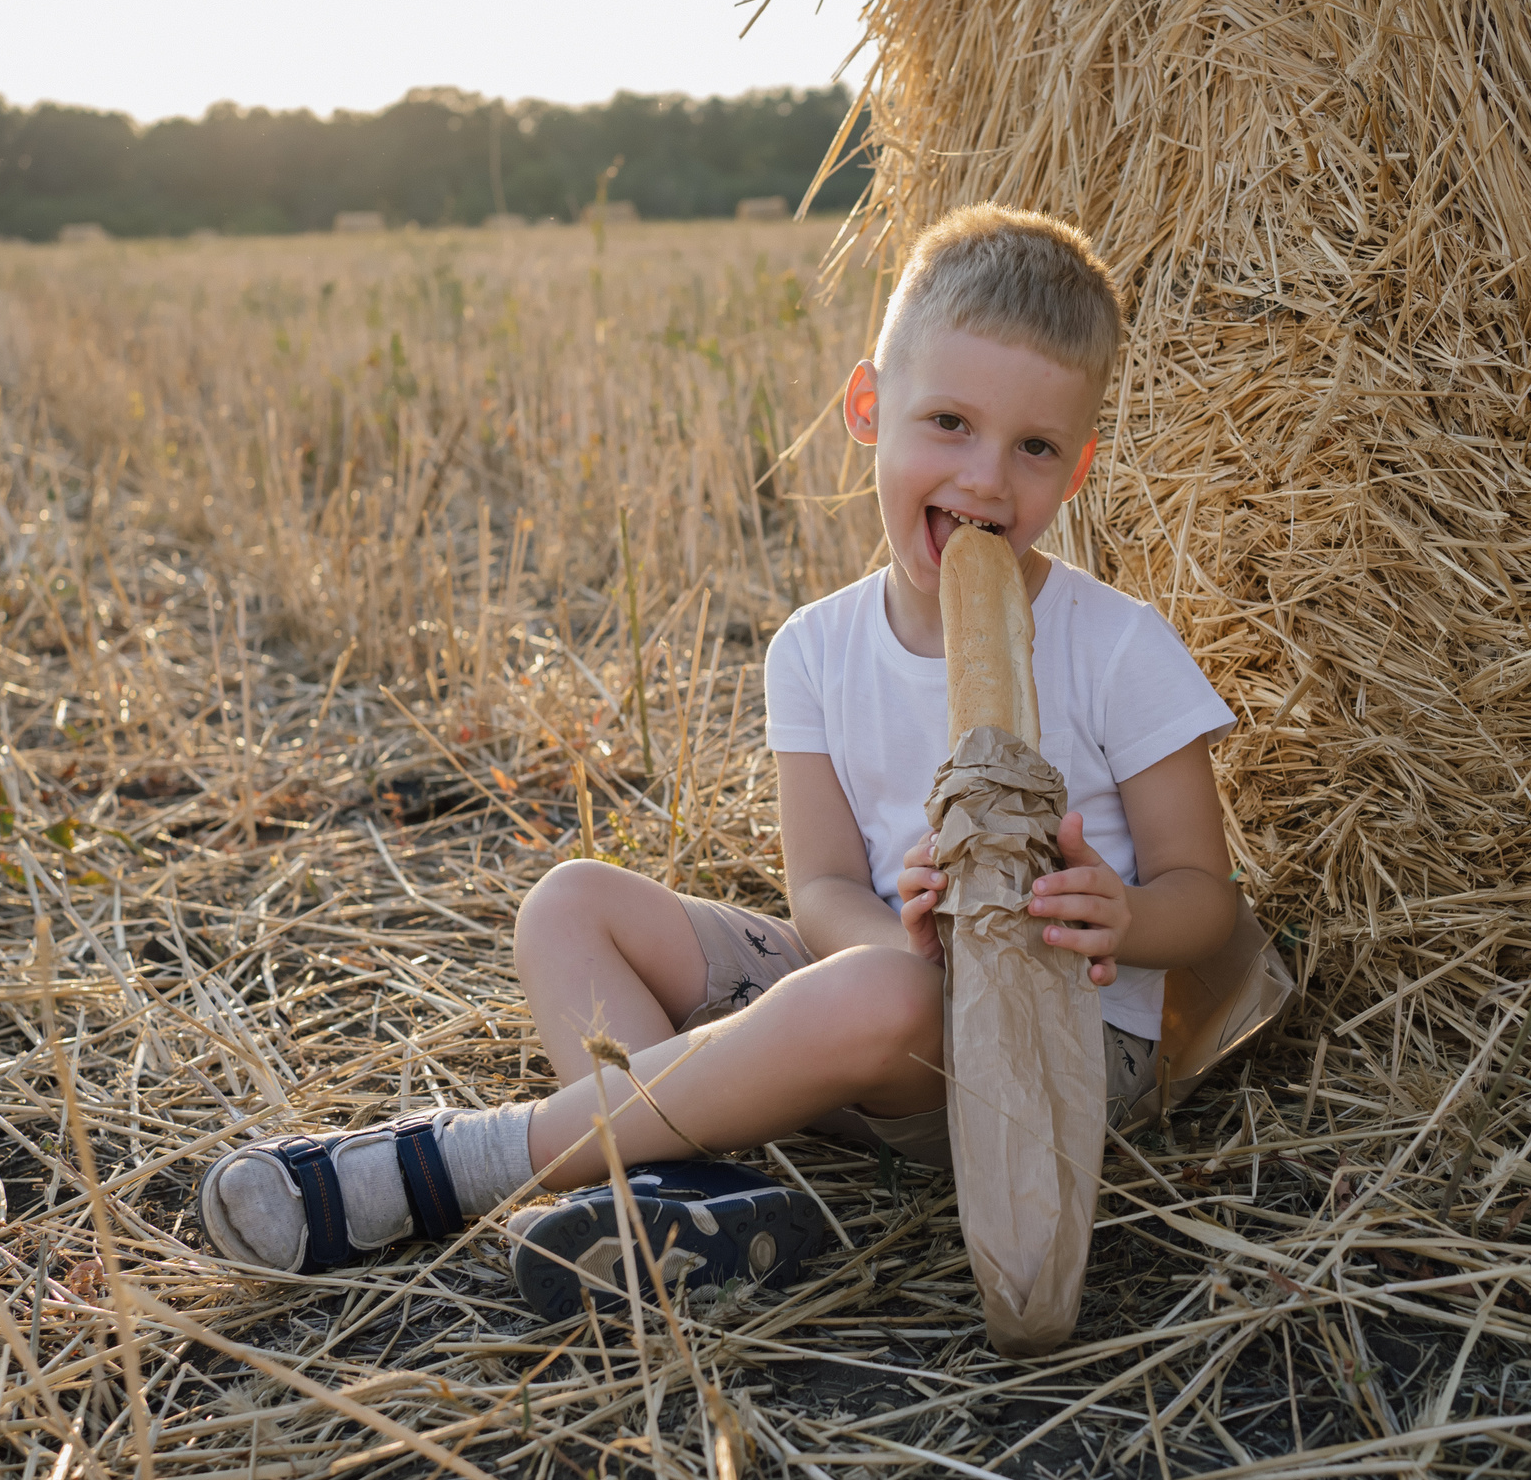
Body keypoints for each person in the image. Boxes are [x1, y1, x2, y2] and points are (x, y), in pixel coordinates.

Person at [196, 205, 1288, 1314]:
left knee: (869, 998)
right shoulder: (814, 649)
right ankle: (686, 1193)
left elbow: (1205, 898)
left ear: (1079, 467)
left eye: (1035, 448)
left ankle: (458, 1164)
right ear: (868, 409)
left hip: (1057, 1047)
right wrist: (901, 945)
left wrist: (1121, 916)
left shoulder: (1117, 645)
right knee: (569, 906)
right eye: (949, 422)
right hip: (879, 1006)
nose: (987, 481)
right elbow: (817, 889)